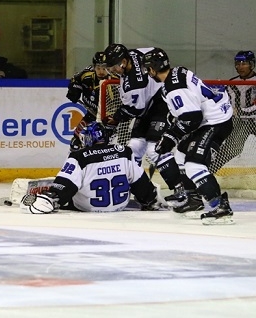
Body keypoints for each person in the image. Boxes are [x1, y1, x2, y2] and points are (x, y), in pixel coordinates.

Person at [103, 43, 203, 214]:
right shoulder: (134, 53)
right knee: (133, 148)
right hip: (149, 104)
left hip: (161, 104)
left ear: (124, 61)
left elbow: (135, 109)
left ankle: (182, 191)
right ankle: (136, 190)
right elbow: (155, 52)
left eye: (114, 67)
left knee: (154, 149)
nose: (112, 71)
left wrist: (115, 118)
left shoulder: (134, 84)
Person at [143, 48, 234, 225]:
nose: (148, 73)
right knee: (181, 155)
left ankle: (220, 207)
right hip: (213, 116)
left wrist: (170, 137)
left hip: (216, 122)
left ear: (154, 68)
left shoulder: (173, 88)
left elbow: (192, 119)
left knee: (194, 165)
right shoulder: (178, 71)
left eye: (148, 69)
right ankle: (194, 200)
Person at [20, 121, 164, 213]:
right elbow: (142, 185)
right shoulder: (124, 151)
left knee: (71, 193)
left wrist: (50, 197)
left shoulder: (79, 157)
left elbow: (65, 186)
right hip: (118, 207)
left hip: (87, 208)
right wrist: (150, 200)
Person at [210, 50, 256, 174]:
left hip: (254, 120)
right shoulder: (231, 83)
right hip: (241, 122)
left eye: (244, 63)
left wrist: (239, 111)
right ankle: (206, 174)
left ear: (252, 64)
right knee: (231, 149)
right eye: (238, 63)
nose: (240, 66)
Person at [66, 51, 118, 151]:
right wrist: (74, 89)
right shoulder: (86, 75)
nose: (101, 71)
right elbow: (74, 79)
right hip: (91, 115)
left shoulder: (115, 81)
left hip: (108, 120)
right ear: (94, 67)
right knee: (76, 140)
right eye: (98, 68)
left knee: (101, 144)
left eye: (104, 68)